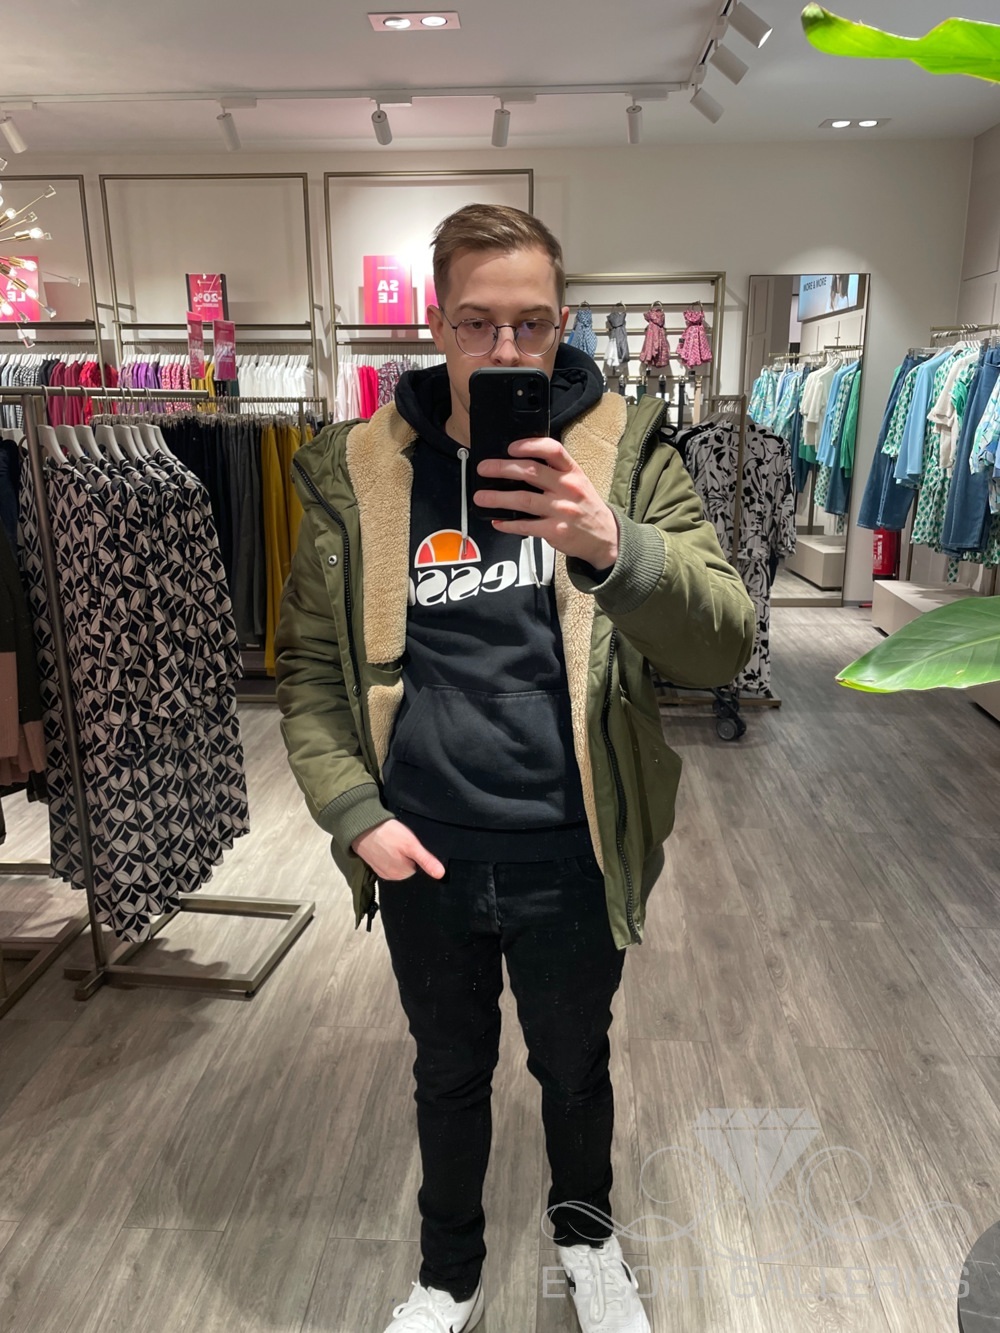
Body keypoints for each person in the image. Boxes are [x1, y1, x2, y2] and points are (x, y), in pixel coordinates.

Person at [275, 203, 755, 1333]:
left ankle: (586, 1242)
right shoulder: (358, 471)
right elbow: (306, 665)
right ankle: (449, 1274)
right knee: (445, 1072)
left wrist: (610, 545)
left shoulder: (627, 455)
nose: (505, 350)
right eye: (477, 324)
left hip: (572, 849)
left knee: (574, 1068)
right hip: (423, 848)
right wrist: (354, 811)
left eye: (531, 324)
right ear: (434, 323)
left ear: (564, 321)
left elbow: (723, 642)